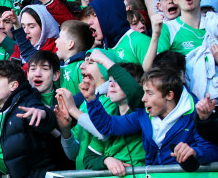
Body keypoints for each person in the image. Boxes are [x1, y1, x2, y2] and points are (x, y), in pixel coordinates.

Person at [87, 67, 218, 167]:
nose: (143, 99)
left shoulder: (196, 115)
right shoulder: (143, 115)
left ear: (169, 95)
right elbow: (108, 126)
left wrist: (194, 152)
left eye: (149, 93)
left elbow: (211, 150)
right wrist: (91, 100)